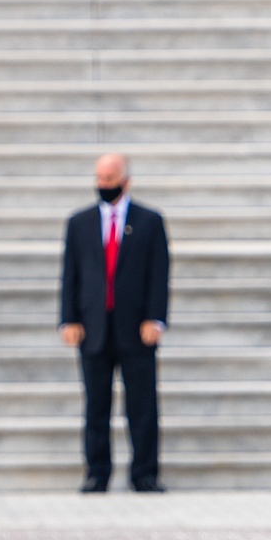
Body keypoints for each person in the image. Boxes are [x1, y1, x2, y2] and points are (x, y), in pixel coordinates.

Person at [59, 153, 169, 494]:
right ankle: (97, 473)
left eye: (110, 179)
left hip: (136, 328)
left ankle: (145, 474)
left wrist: (156, 318)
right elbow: (71, 275)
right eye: (100, 179)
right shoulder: (80, 222)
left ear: (126, 180)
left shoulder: (149, 221)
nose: (103, 185)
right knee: (96, 406)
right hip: (93, 328)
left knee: (143, 406)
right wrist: (69, 318)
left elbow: (159, 274)